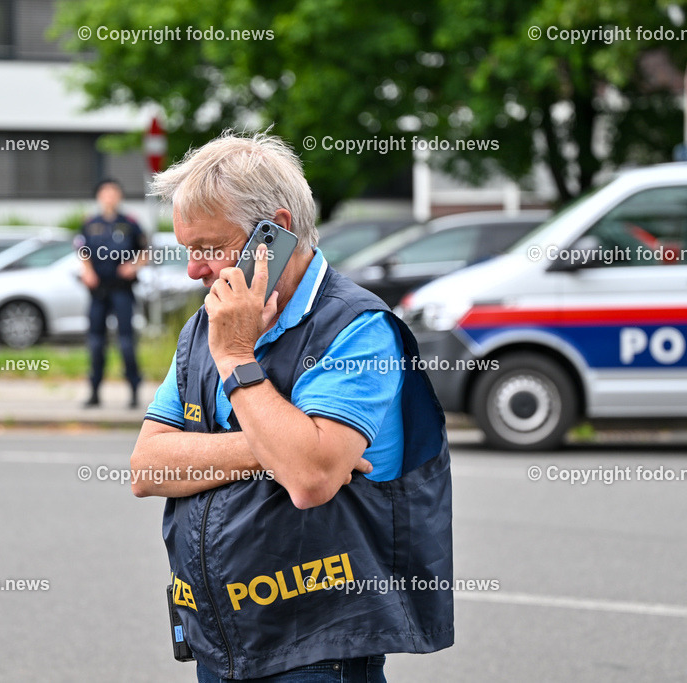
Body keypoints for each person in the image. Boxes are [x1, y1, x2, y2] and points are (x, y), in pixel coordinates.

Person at [130, 132, 453, 681]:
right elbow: (148, 467)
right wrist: (274, 449)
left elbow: (308, 479)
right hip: (223, 643)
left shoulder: (358, 328)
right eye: (188, 249)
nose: (193, 270)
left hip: (318, 651)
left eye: (209, 247)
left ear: (274, 233)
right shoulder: (206, 325)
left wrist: (237, 358)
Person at [76, 178, 146, 408]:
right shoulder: (90, 223)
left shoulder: (130, 223)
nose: (109, 197)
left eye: (113, 193)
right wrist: (87, 271)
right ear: (99, 197)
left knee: (126, 343)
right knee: (96, 343)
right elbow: (82, 251)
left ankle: (134, 390)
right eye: (105, 193)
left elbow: (145, 252)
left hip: (122, 290)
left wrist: (133, 266)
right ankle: (94, 392)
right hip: (98, 292)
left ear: (119, 196)